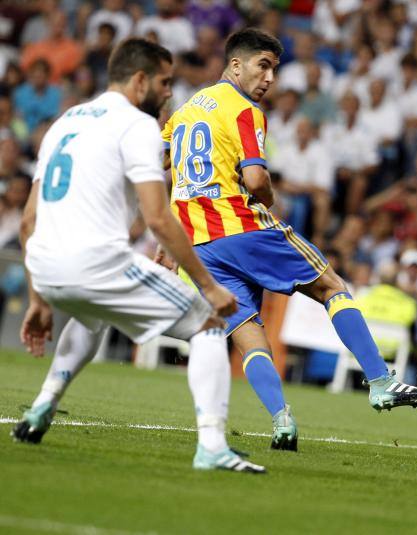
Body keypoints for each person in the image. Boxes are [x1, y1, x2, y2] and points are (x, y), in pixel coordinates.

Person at [160, 29, 417, 451]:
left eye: (274, 69)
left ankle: (282, 419)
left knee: (247, 332)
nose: (270, 78)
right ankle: (381, 381)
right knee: (331, 286)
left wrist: (167, 234)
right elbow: (256, 179)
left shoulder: (185, 111)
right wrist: (269, 199)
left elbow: (163, 165)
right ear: (235, 64)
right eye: (263, 66)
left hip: (198, 245)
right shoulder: (244, 109)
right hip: (242, 227)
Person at [11, 39, 263, 474]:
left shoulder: (65, 122)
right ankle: (212, 446)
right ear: (141, 80)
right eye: (165, 82)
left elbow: (28, 221)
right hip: (98, 263)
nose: (169, 93)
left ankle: (42, 406)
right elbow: (159, 218)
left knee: (93, 314)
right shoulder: (137, 126)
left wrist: (38, 299)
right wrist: (208, 286)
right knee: (208, 323)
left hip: (48, 266)